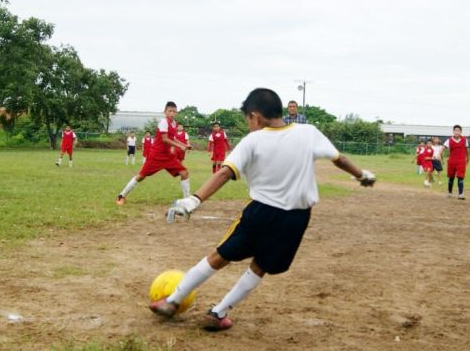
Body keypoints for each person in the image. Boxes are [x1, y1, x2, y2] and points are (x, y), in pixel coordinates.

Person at [153, 88, 376, 331]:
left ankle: (173, 301)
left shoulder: (252, 140)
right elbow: (339, 159)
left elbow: (225, 172)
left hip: (260, 213)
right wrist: (361, 175)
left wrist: (194, 200)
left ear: (255, 116)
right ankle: (218, 313)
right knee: (260, 266)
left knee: (220, 256)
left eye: (247, 119)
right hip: (296, 218)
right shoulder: (308, 132)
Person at [116, 102, 191, 205]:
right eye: (169, 111)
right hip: (156, 156)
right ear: (165, 112)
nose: (172, 113)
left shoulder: (174, 124)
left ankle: (187, 201)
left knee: (184, 173)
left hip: (168, 157)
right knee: (141, 176)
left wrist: (184, 145)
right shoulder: (163, 122)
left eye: (174, 111)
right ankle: (121, 195)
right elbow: (165, 139)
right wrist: (180, 146)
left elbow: (172, 137)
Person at [443, 125, 470, 200]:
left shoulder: (465, 140)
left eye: (458, 130)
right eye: (455, 130)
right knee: (451, 178)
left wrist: (468, 158)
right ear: (453, 131)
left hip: (461, 161)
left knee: (460, 177)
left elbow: (466, 150)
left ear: (461, 131)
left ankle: (461, 194)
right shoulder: (449, 140)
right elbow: (443, 148)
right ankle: (449, 192)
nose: (457, 132)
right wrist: (440, 156)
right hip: (452, 161)